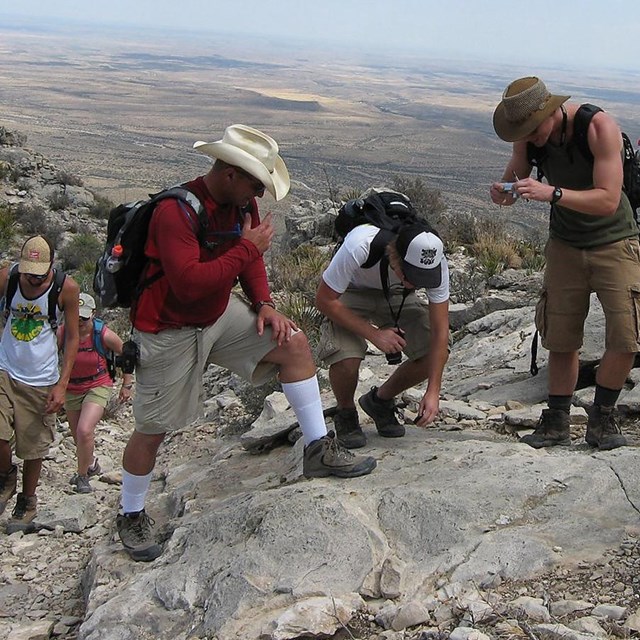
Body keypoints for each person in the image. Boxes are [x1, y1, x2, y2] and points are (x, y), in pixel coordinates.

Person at [116, 124, 376, 562]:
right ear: (231, 172)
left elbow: (248, 265)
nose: (259, 192)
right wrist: (246, 249)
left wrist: (264, 303)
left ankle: (317, 449)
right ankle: (130, 512)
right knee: (153, 428)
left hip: (217, 314)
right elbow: (188, 283)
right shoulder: (175, 213)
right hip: (167, 329)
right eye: (255, 182)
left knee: (293, 344)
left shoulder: (242, 205)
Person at [490, 76, 639, 450]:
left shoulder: (598, 127)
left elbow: (608, 199)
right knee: (560, 335)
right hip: (565, 246)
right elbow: (511, 189)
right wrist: (503, 192)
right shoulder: (528, 137)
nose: (531, 137)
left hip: (615, 241)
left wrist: (552, 193)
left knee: (626, 335)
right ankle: (556, 420)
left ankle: (601, 420)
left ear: (550, 110)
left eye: (533, 128)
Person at [315, 192, 450, 449]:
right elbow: (324, 300)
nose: (416, 283)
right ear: (395, 256)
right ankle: (345, 413)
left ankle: (379, 401)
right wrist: (375, 334)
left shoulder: (435, 260)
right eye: (410, 275)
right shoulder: (360, 244)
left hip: (397, 296)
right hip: (350, 292)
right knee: (346, 356)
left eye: (422, 279)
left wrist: (433, 391)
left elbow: (440, 330)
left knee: (434, 353)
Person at [0, 236, 80, 532]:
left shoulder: (66, 289)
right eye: (28, 272)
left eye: (39, 273)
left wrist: (62, 384)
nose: (32, 279)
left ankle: (27, 500)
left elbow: (72, 338)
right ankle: (6, 475)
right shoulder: (8, 278)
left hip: (41, 378)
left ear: (51, 267)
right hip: (5, 368)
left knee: (33, 446)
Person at [58, 292, 134, 494]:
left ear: (93, 314)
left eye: (84, 317)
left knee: (84, 430)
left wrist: (127, 384)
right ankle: (91, 464)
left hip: (98, 384)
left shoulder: (103, 334)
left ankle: (82, 477)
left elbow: (126, 353)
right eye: (76, 317)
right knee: (78, 436)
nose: (80, 321)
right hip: (71, 388)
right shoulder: (62, 333)